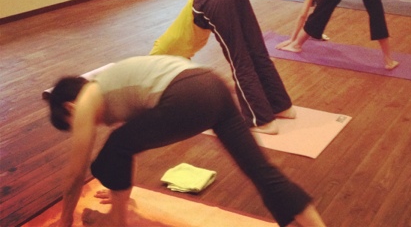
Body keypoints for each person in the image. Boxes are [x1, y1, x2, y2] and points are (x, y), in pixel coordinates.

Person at [48, 55, 326, 227]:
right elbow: (129, 148)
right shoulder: (114, 89)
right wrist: (120, 193)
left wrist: (64, 221)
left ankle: (115, 221)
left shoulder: (88, 99)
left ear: (70, 107)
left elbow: (75, 173)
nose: (88, 127)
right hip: (212, 85)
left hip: (188, 93)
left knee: (110, 152)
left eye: (73, 124)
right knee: (261, 171)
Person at [150, 0, 295, 134]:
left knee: (240, 63)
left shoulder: (156, 57)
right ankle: (281, 106)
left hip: (209, 2)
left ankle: (261, 121)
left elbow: (156, 90)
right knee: (257, 52)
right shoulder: (175, 61)